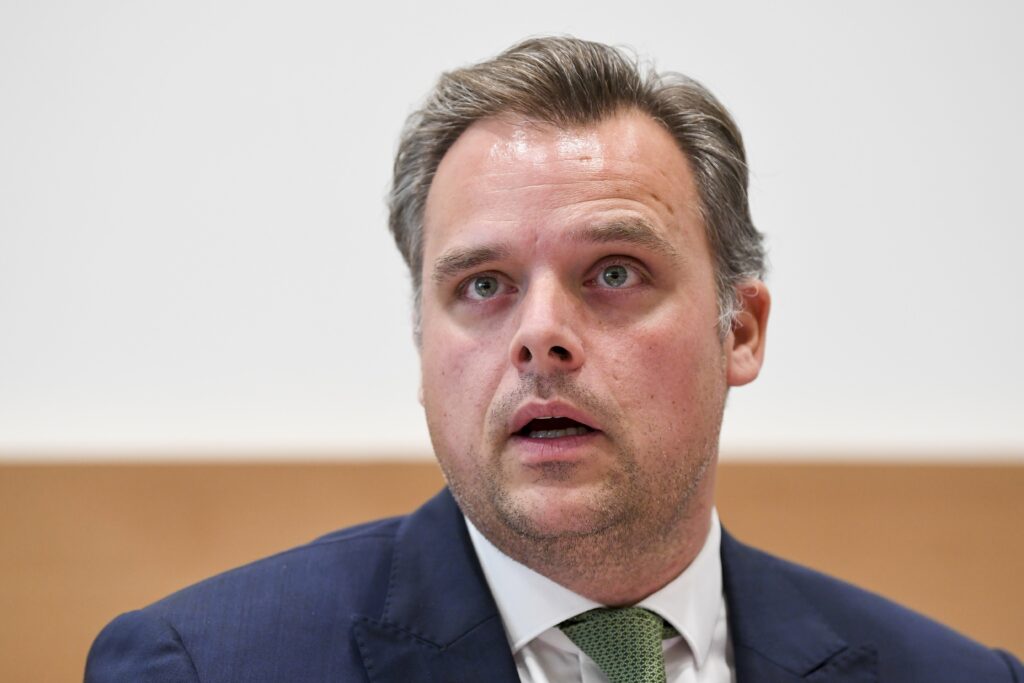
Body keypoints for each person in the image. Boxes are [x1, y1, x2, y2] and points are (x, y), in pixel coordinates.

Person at [86, 36, 1022, 682]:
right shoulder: (205, 666)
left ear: (739, 329)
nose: (540, 334)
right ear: (422, 347)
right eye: (483, 285)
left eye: (614, 272)